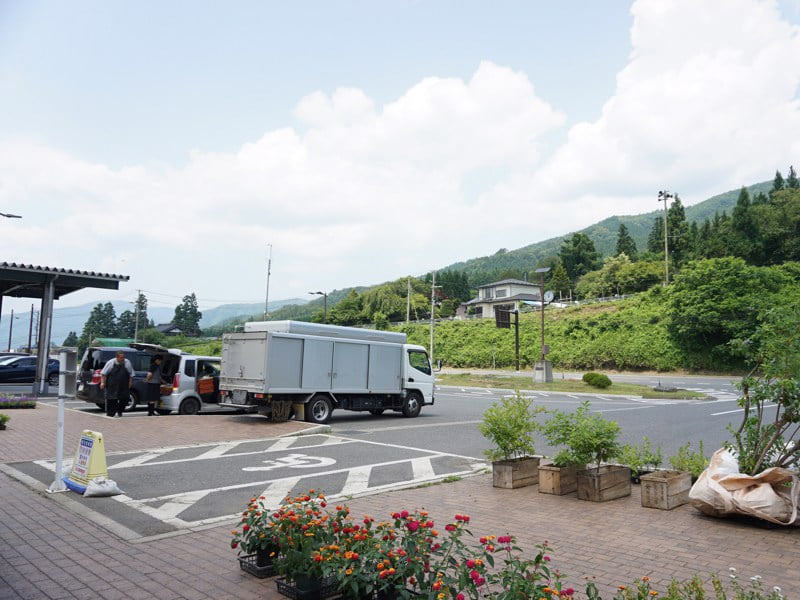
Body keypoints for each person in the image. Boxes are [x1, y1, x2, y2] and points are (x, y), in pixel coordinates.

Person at [100, 351, 134, 417]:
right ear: (117, 357)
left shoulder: (127, 362)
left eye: (124, 357)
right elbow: (103, 374)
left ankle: (120, 410)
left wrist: (130, 383)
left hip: (124, 385)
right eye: (121, 357)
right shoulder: (110, 363)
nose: (123, 359)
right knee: (112, 400)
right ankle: (110, 414)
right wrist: (102, 382)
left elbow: (131, 375)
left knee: (125, 399)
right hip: (112, 384)